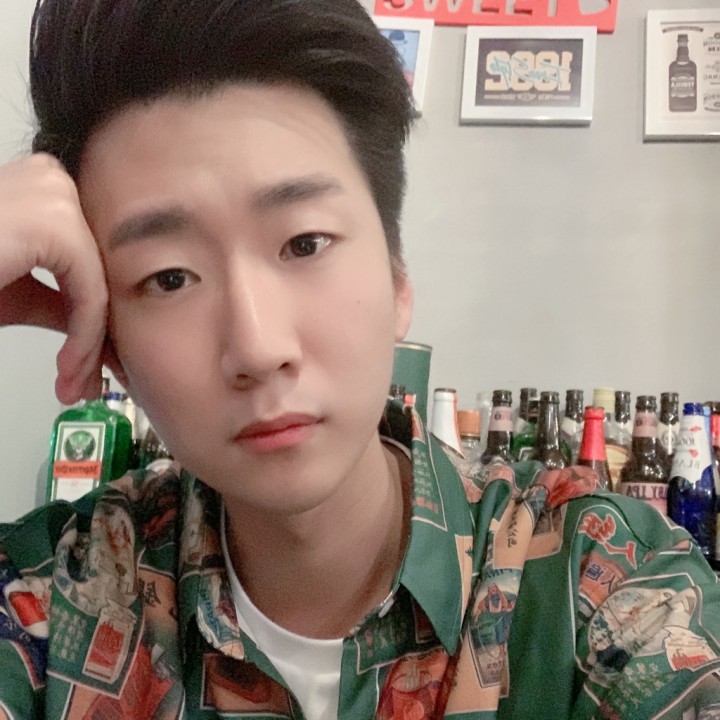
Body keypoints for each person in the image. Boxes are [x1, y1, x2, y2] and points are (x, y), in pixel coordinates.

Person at [0, 1, 719, 719]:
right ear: (111, 344)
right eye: (169, 278)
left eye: (305, 243)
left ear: (398, 279)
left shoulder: (593, 584)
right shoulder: (50, 604)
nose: (258, 347)